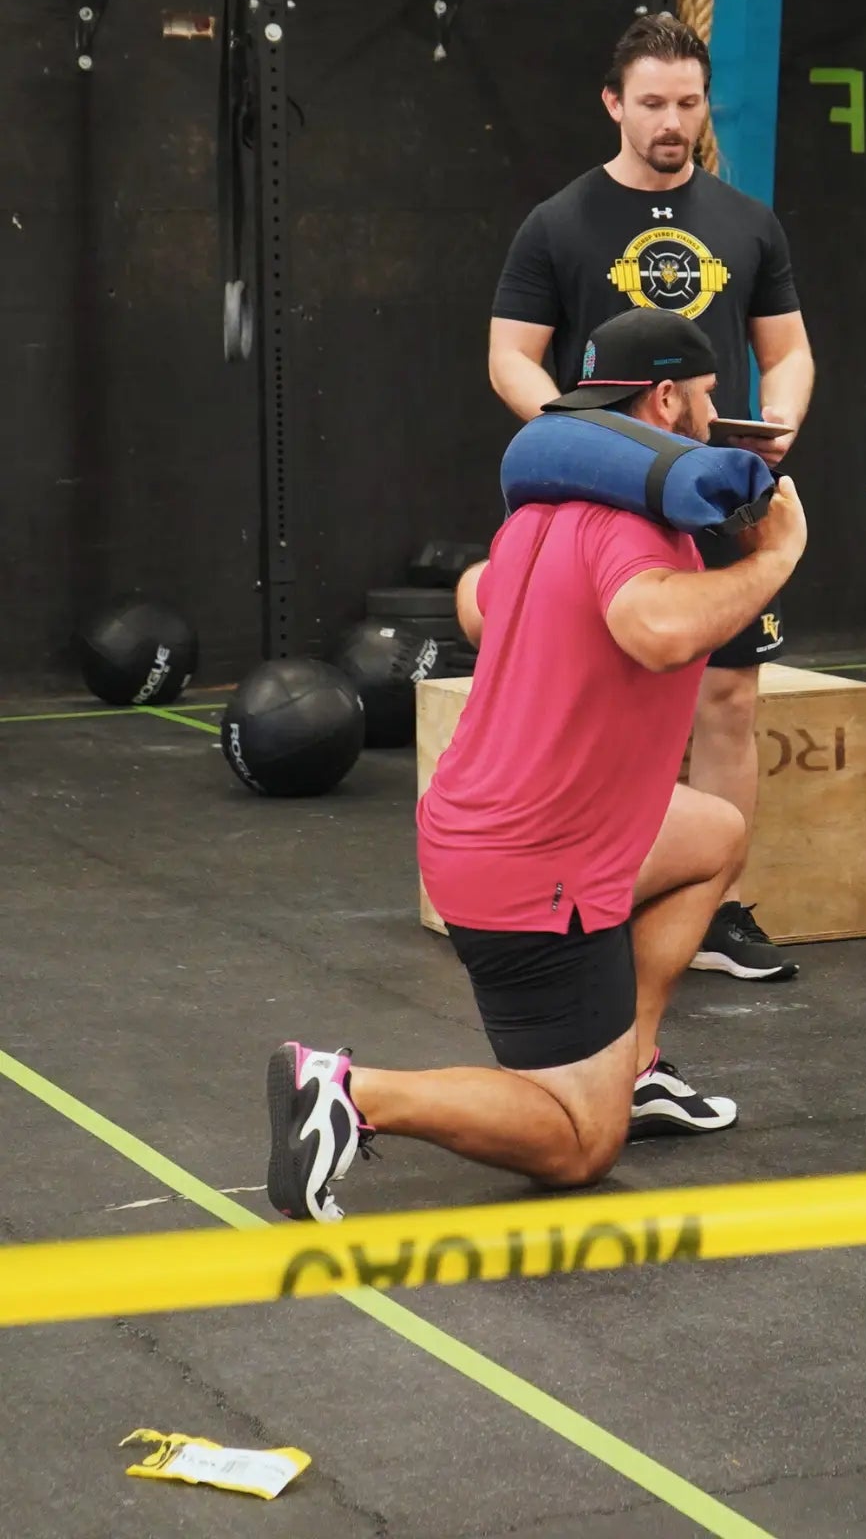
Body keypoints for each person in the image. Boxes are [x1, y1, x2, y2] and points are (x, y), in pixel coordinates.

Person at [266, 308, 808, 1223]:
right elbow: (661, 627)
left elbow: (479, 606)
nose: (720, 419)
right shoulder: (632, 532)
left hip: (502, 832)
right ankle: (350, 1094)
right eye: (712, 397)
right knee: (579, 1147)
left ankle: (628, 1065)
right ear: (668, 399)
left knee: (713, 833)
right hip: (535, 869)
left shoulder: (538, 519)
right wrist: (779, 556)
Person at [487, 12, 814, 982]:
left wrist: (779, 422)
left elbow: (785, 350)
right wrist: (576, 436)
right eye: (653, 103)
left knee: (727, 697)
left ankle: (716, 909)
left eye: (688, 101)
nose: (673, 121)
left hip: (714, 485)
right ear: (612, 103)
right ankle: (572, 896)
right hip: (604, 496)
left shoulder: (747, 221)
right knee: (592, 699)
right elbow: (510, 353)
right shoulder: (557, 222)